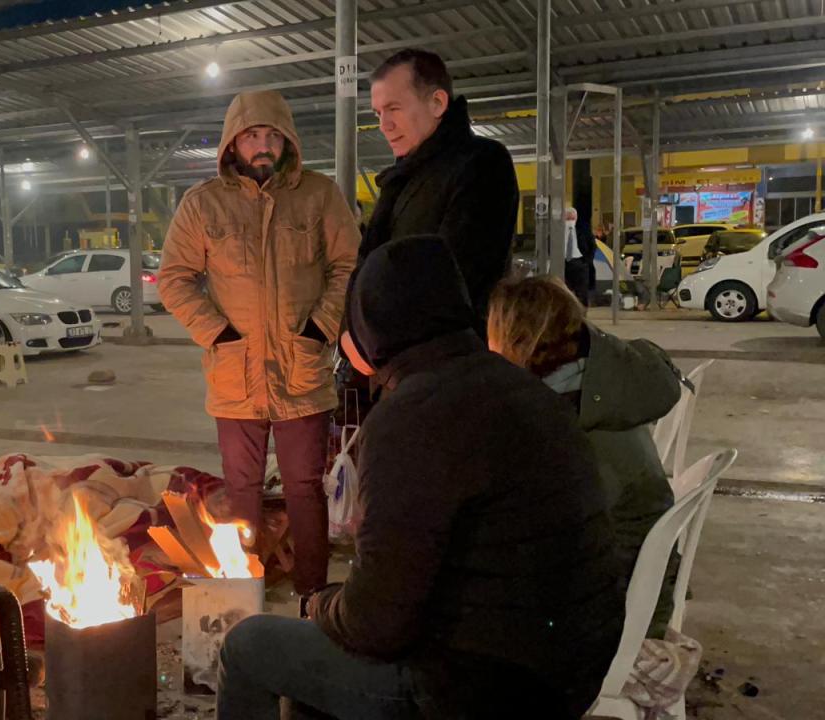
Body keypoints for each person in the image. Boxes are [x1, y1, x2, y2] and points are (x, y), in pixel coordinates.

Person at [219, 236, 623, 720]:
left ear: (370, 327)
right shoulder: (519, 386)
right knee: (313, 675)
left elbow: (376, 624)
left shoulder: (410, 419)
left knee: (249, 645)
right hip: (572, 666)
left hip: (485, 689)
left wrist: (319, 605)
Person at [159, 90, 359, 607]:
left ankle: (313, 593)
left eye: (273, 135)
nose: (263, 145)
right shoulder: (203, 203)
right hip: (235, 373)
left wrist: (320, 327)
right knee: (241, 488)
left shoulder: (319, 196)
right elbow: (175, 278)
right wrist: (217, 333)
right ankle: (245, 590)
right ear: (233, 143)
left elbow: (348, 266)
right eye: (252, 136)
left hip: (301, 369)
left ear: (288, 139)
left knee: (304, 487)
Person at [488, 275, 682, 638]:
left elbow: (542, 543)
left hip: (608, 619)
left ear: (517, 341)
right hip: (618, 591)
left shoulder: (574, 426)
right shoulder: (593, 391)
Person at [356, 49, 519, 325]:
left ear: (437, 102)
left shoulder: (482, 164)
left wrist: (375, 338)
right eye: (377, 113)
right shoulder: (401, 178)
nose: (384, 125)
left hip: (452, 357)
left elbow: (455, 277)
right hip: (392, 357)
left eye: (394, 108)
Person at [563, 207, 597, 306]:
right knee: (564, 291)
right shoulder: (558, 231)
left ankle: (582, 314)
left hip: (580, 263)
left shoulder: (583, 230)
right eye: (567, 219)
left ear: (576, 218)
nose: (570, 221)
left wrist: (587, 261)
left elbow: (592, 245)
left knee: (582, 293)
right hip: (564, 263)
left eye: (572, 219)